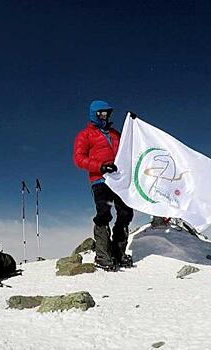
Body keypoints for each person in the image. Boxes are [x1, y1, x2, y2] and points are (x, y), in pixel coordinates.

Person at [73, 100, 134, 271]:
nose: (104, 116)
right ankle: (102, 256)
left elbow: (128, 149)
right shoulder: (85, 135)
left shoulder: (115, 133)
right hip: (100, 180)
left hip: (119, 181)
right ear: (94, 114)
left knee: (125, 213)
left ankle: (118, 253)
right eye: (101, 113)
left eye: (106, 113)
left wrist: (133, 126)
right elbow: (79, 159)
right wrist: (100, 166)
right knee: (104, 214)